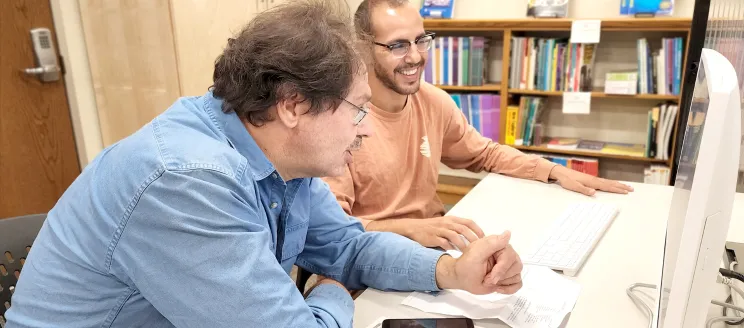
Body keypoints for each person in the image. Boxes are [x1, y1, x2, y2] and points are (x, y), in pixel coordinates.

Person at [4, 1, 525, 328]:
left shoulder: (274, 149)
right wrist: (333, 293)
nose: (366, 127)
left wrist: (450, 270)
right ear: (294, 105)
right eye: (357, 109)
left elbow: (346, 243)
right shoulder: (185, 181)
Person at [321, 0, 635, 252]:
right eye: (398, 46)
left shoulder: (434, 101)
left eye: (421, 41)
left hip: (438, 248)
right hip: (375, 255)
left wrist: (554, 171)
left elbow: (483, 154)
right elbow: (332, 229)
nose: (416, 57)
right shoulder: (339, 120)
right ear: (362, 47)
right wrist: (410, 229)